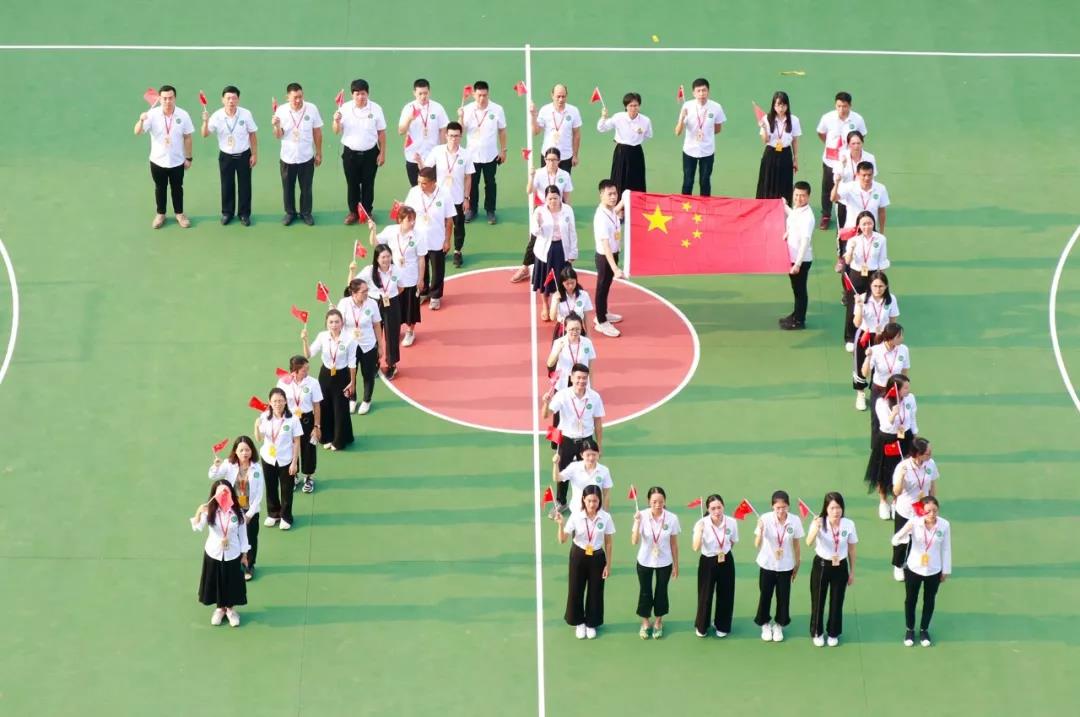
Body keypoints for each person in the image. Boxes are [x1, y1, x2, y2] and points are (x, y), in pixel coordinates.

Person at [542, 363, 605, 515]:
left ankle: (589, 503)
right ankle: (561, 502)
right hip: (567, 440)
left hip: (587, 440)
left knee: (589, 471)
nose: (581, 381)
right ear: (571, 378)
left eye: (584, 378)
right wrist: (546, 402)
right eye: (578, 378)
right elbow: (546, 415)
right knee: (563, 472)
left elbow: (598, 422)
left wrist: (599, 445)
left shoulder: (594, 397)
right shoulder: (562, 395)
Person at [554, 484, 614, 639]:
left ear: (599, 501)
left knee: (596, 590)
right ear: (583, 500)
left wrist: (608, 565)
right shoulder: (576, 516)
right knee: (576, 588)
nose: (592, 504)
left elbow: (608, 543)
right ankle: (579, 622)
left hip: (597, 556)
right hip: (578, 555)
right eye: (589, 501)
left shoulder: (605, 517)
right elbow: (562, 539)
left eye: (595, 501)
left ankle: (591, 623)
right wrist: (560, 525)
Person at [891, 496, 951, 647]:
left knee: (929, 601)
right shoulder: (914, 522)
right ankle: (909, 629)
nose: (932, 514)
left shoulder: (944, 525)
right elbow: (895, 540)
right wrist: (906, 532)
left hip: (934, 569)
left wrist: (945, 569)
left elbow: (946, 548)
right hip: (914, 568)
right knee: (911, 600)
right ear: (922, 511)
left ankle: (924, 630)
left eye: (935, 510)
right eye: (928, 511)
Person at [509, 150, 574, 285]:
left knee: (563, 237)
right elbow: (529, 191)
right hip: (542, 211)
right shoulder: (538, 173)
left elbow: (566, 197)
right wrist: (531, 177)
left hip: (559, 210)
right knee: (535, 239)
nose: (551, 162)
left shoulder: (564, 175)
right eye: (548, 159)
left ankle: (565, 267)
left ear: (559, 161)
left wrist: (567, 212)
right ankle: (525, 268)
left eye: (554, 160)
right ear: (545, 160)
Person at [133, 84, 193, 229]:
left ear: (175, 98)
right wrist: (141, 120)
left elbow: (188, 137)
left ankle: (180, 214)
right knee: (160, 188)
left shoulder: (183, 115)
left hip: (177, 161)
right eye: (164, 98)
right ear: (159, 99)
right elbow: (137, 132)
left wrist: (188, 158)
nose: (168, 101)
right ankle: (160, 214)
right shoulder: (151, 115)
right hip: (157, 161)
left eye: (170, 98)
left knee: (177, 188)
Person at [192, 480, 249, 626]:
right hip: (214, 553)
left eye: (226, 492)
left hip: (233, 553)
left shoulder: (238, 512)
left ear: (231, 493)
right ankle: (219, 609)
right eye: (220, 493)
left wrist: (244, 554)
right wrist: (199, 512)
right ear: (214, 495)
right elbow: (198, 527)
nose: (223, 495)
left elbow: (243, 535)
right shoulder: (209, 511)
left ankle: (230, 610)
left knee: (231, 582)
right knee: (216, 581)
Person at [208, 437, 265, 580]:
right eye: (241, 450)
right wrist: (215, 466)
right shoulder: (229, 464)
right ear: (235, 451)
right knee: (234, 537)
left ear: (252, 451)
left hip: (250, 511)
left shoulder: (257, 468)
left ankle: (249, 565)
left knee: (250, 538)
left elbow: (259, 494)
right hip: (232, 509)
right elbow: (213, 476)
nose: (245, 453)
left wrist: (249, 514)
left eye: (247, 450)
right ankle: (235, 565)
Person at [805, 492, 858, 647]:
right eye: (832, 508)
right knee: (818, 600)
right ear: (826, 509)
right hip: (822, 565)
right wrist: (816, 529)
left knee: (837, 601)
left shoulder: (848, 524)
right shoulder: (818, 522)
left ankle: (833, 632)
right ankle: (817, 632)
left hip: (840, 566)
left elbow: (852, 549)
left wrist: (852, 572)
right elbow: (808, 542)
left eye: (838, 507)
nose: (836, 511)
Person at [200, 85, 258, 226]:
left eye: (234, 98)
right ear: (223, 100)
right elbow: (205, 134)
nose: (231, 101)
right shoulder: (217, 116)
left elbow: (252, 134)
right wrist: (205, 121)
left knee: (245, 186)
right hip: (226, 156)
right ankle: (227, 213)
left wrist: (254, 154)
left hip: (244, 155)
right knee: (226, 185)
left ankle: (244, 214)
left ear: (238, 99)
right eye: (228, 98)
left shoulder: (246, 114)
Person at [301, 310, 357, 451]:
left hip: (342, 376)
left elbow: (352, 362)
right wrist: (305, 340)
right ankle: (327, 437)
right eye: (331, 322)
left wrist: (352, 382)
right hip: (325, 375)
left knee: (340, 408)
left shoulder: (350, 338)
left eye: (337, 322)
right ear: (326, 323)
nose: (334, 325)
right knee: (325, 406)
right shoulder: (322, 336)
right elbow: (308, 355)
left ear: (342, 323)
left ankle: (339, 441)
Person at [420, 122, 474, 268]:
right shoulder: (437, 151)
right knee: (440, 224)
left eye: (456, 136)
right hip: (439, 198)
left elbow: (468, 177)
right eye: (451, 136)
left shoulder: (466, 154)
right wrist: (419, 162)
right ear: (446, 136)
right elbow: (426, 169)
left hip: (457, 199)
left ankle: (457, 251)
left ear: (461, 136)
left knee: (459, 226)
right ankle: (442, 248)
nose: (453, 139)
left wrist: (467, 198)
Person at [832, 162, 890, 297]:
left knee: (871, 261)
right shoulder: (849, 187)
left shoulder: (880, 189)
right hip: (852, 232)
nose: (867, 178)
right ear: (857, 175)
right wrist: (837, 183)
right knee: (847, 265)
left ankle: (870, 293)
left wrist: (881, 231)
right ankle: (847, 293)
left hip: (870, 229)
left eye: (869, 175)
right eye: (863, 175)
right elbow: (833, 198)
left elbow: (882, 211)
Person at [333, 78, 387, 225]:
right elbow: (336, 131)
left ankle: (367, 212)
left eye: (363, 93)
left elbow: (381, 132)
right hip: (350, 154)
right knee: (352, 184)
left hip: (370, 153)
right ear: (352, 95)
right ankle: (353, 212)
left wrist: (382, 153)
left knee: (368, 184)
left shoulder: (376, 109)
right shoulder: (344, 108)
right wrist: (336, 121)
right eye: (357, 94)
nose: (360, 97)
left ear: (367, 93)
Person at [753, 490, 804, 642]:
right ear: (772, 506)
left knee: (783, 597)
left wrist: (797, 563)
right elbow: (756, 544)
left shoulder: (794, 520)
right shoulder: (765, 519)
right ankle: (765, 624)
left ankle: (779, 625)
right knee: (765, 595)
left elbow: (796, 544)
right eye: (777, 508)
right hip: (767, 564)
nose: (781, 511)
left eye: (784, 507)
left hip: (786, 566)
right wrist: (760, 530)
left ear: (788, 506)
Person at [630, 487, 680, 639]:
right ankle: (645, 622)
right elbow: (634, 541)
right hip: (645, 560)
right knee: (645, 591)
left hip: (665, 561)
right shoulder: (641, 516)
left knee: (661, 591)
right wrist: (637, 522)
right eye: (654, 502)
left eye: (660, 501)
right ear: (648, 502)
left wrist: (676, 565)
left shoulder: (672, 518)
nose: (658, 505)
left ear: (665, 501)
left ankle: (658, 621)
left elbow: (673, 544)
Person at [404, 167, 456, 312]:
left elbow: (449, 220)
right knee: (421, 267)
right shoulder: (414, 192)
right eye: (419, 182)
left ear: (434, 182)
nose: (420, 185)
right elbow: (406, 212)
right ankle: (423, 292)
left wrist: (447, 240)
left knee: (437, 268)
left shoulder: (444, 194)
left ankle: (435, 295)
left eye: (424, 183)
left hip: (437, 239)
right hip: (418, 239)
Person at [865, 374, 917, 520]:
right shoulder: (882, 402)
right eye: (905, 388)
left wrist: (915, 437)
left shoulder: (910, 399)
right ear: (895, 389)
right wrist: (893, 414)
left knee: (902, 471)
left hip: (905, 437)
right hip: (887, 439)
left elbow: (912, 419)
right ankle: (883, 502)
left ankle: (896, 501)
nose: (908, 390)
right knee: (884, 472)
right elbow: (886, 425)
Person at [271, 82, 323, 226]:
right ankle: (290, 213)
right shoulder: (281, 110)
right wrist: (276, 126)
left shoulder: (311, 108)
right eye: (295, 97)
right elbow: (278, 135)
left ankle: (306, 213)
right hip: (287, 158)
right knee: (288, 188)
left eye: (300, 96)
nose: (298, 100)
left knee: (306, 188)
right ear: (287, 97)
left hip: (306, 157)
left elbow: (317, 132)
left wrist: (319, 153)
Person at [816, 92, 868, 230]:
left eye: (844, 106)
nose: (841, 109)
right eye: (838, 106)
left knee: (849, 187)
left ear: (850, 106)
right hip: (830, 160)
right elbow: (821, 132)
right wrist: (829, 145)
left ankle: (853, 214)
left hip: (848, 161)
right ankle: (826, 215)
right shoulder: (827, 117)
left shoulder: (857, 119)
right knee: (827, 187)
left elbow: (861, 136)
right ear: (835, 105)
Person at [459, 80, 508, 224]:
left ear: (488, 94)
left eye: (484, 95)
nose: (482, 98)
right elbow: (460, 131)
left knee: (490, 183)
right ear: (474, 94)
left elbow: (502, 130)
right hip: (472, 155)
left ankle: (490, 210)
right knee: (472, 184)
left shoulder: (497, 109)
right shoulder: (467, 109)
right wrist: (460, 117)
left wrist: (503, 150)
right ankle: (472, 209)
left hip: (491, 155)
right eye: (479, 95)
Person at [842, 210, 891, 350]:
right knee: (853, 304)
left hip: (873, 275)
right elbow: (847, 261)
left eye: (869, 223)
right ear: (859, 225)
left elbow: (882, 261)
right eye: (863, 224)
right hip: (856, 274)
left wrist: (881, 280)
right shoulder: (853, 240)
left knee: (874, 303)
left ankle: (877, 335)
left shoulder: (881, 239)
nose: (867, 227)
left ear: (873, 223)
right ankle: (850, 338)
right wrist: (851, 250)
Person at [892, 437, 939, 581]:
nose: (930, 455)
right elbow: (896, 492)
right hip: (906, 511)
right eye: (928, 453)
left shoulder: (930, 464)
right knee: (902, 540)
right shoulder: (903, 467)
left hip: (923, 511)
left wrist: (933, 504)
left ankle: (915, 561)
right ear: (918, 454)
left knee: (921, 538)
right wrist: (901, 477)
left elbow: (932, 485)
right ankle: (898, 565)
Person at [691, 494, 738, 638]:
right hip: (708, 561)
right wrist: (699, 531)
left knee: (726, 594)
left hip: (726, 560)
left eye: (719, 507)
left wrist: (722, 551)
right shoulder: (701, 523)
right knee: (705, 595)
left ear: (723, 506)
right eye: (713, 508)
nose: (717, 511)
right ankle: (702, 626)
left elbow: (732, 541)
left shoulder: (731, 522)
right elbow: (695, 547)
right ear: (708, 509)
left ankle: (722, 625)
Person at [254, 389, 302, 530]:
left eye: (280, 401)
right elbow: (259, 438)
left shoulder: (293, 419)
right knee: (271, 487)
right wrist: (256, 426)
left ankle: (286, 517)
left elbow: (297, 442)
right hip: (268, 458)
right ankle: (273, 514)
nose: (278, 404)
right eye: (274, 401)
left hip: (286, 460)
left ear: (285, 401)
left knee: (286, 490)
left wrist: (294, 462)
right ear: (270, 402)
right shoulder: (264, 417)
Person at [354, 241, 402, 379]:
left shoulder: (396, 269)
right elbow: (353, 284)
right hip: (373, 303)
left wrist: (390, 297)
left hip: (392, 303)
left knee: (392, 335)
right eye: (383, 257)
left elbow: (401, 287)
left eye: (388, 256)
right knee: (373, 334)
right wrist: (352, 270)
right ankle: (374, 362)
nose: (386, 260)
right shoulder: (369, 271)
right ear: (377, 258)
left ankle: (392, 364)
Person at [852, 271, 900, 410]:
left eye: (881, 286)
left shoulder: (891, 299)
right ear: (870, 285)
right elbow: (856, 323)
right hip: (865, 335)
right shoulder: (862, 298)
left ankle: (877, 393)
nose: (878, 289)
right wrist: (859, 307)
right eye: (875, 286)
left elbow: (893, 321)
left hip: (883, 336)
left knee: (881, 364)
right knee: (861, 364)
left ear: (886, 286)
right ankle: (860, 393)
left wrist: (891, 338)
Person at [337, 278, 384, 416]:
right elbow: (338, 324)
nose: (366, 293)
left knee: (368, 374)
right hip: (349, 345)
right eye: (363, 291)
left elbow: (377, 325)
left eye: (367, 290)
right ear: (354, 293)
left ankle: (366, 400)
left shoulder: (372, 303)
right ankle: (352, 398)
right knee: (349, 374)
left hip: (368, 345)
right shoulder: (344, 303)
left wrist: (380, 346)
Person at [276, 356, 323, 494]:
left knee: (308, 449)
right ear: (295, 371)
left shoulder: (313, 382)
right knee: (290, 447)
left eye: (307, 368)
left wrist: (317, 426)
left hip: (306, 419)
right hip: (289, 420)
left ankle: (308, 477)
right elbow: (278, 402)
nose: (307, 372)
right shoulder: (283, 383)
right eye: (304, 370)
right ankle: (294, 475)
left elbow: (317, 406)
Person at [531, 186, 578, 322]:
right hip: (545, 250)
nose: (553, 201)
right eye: (550, 198)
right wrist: (538, 223)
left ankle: (560, 308)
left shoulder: (567, 210)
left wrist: (573, 252)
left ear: (560, 197)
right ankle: (545, 306)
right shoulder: (539, 211)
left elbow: (572, 231)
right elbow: (535, 232)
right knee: (544, 281)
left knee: (563, 280)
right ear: (545, 199)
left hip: (562, 248)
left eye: (555, 198)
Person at [675, 77, 726, 196]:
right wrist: (682, 118)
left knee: (705, 182)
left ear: (708, 91)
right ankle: (685, 206)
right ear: (694, 93)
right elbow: (677, 132)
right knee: (688, 182)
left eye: (704, 90)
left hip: (707, 151)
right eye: (698, 91)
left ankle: (705, 207)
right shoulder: (687, 106)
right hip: (689, 150)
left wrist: (705, 134)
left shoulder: (716, 107)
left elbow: (718, 129)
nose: (701, 94)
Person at [597, 92, 653, 193]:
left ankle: (636, 202)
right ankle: (618, 201)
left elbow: (649, 135)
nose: (633, 108)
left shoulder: (645, 120)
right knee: (619, 179)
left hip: (636, 151)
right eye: (630, 105)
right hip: (621, 152)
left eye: (636, 105)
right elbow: (601, 128)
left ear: (639, 106)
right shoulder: (618, 117)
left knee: (637, 180)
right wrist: (603, 117)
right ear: (626, 106)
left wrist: (640, 134)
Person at [861, 322, 911, 434]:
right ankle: (878, 444)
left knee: (899, 419)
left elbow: (904, 371)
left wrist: (905, 389)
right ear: (890, 339)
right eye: (899, 336)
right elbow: (865, 374)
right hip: (879, 391)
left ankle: (899, 443)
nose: (902, 338)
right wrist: (868, 358)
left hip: (896, 390)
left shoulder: (904, 350)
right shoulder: (875, 350)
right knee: (877, 422)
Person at [398, 79, 449, 187]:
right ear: (414, 93)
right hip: (413, 156)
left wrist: (443, 151)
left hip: (433, 156)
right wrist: (409, 119)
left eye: (425, 93)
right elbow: (401, 131)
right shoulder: (408, 108)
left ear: (429, 92)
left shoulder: (438, 108)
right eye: (420, 93)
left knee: (435, 188)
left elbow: (443, 130)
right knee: (416, 188)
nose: (423, 96)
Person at [592, 179, 625, 337]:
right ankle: (601, 321)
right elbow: (605, 245)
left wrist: (625, 199)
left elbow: (616, 211)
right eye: (609, 194)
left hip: (613, 254)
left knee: (606, 287)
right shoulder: (601, 218)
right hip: (605, 258)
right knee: (602, 288)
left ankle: (603, 312)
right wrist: (615, 268)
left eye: (615, 193)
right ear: (601, 195)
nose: (613, 197)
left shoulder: (610, 210)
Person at [755, 91, 801, 204]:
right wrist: (764, 128)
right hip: (770, 153)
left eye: (784, 105)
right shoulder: (767, 118)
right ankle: (766, 208)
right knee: (768, 182)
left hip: (785, 153)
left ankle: (783, 209)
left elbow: (795, 140)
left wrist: (795, 159)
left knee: (784, 183)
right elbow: (765, 140)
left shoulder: (794, 120)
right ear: (774, 105)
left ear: (787, 106)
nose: (781, 108)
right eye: (778, 105)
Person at [780, 181, 814, 330]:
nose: (799, 198)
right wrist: (784, 205)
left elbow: (805, 241)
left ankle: (799, 320)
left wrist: (798, 264)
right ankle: (796, 314)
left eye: (802, 196)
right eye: (796, 195)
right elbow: (793, 217)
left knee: (800, 291)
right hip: (792, 258)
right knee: (796, 289)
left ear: (808, 197)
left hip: (801, 260)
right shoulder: (798, 209)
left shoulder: (808, 217)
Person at [553, 438, 611, 518]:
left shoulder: (604, 470)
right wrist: (555, 464)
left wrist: (605, 514)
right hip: (577, 512)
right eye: (588, 455)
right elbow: (557, 478)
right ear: (581, 455)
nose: (591, 458)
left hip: (596, 512)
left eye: (594, 454)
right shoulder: (574, 467)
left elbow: (606, 494)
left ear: (598, 454)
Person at [531, 84, 583, 173]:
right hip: (548, 156)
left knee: (563, 181)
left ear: (566, 96)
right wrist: (533, 116)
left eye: (563, 96)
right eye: (558, 96)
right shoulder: (545, 110)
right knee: (547, 181)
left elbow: (576, 134)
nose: (561, 99)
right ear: (552, 95)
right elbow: (536, 132)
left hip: (565, 156)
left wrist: (575, 155)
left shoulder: (573, 111)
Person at [832, 131, 877, 228]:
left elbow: (872, 177)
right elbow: (836, 178)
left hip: (861, 197)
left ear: (862, 143)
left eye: (858, 143)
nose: (856, 146)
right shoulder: (841, 156)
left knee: (863, 226)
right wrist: (843, 165)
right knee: (843, 228)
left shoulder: (869, 157)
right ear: (848, 144)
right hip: (844, 196)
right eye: (853, 143)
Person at [546, 313, 596, 391]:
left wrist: (592, 388)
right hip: (563, 383)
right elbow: (550, 364)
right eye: (572, 329)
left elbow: (590, 367)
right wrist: (558, 351)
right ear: (565, 328)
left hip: (581, 382)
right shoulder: (559, 342)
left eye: (577, 329)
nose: (575, 332)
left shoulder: (587, 342)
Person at [550, 265, 593, 341]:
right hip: (563, 330)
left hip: (578, 330)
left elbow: (586, 317)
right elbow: (552, 317)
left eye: (572, 283)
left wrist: (589, 335)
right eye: (567, 283)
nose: (570, 286)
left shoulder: (583, 295)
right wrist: (556, 302)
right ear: (562, 283)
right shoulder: (557, 296)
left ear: (576, 280)